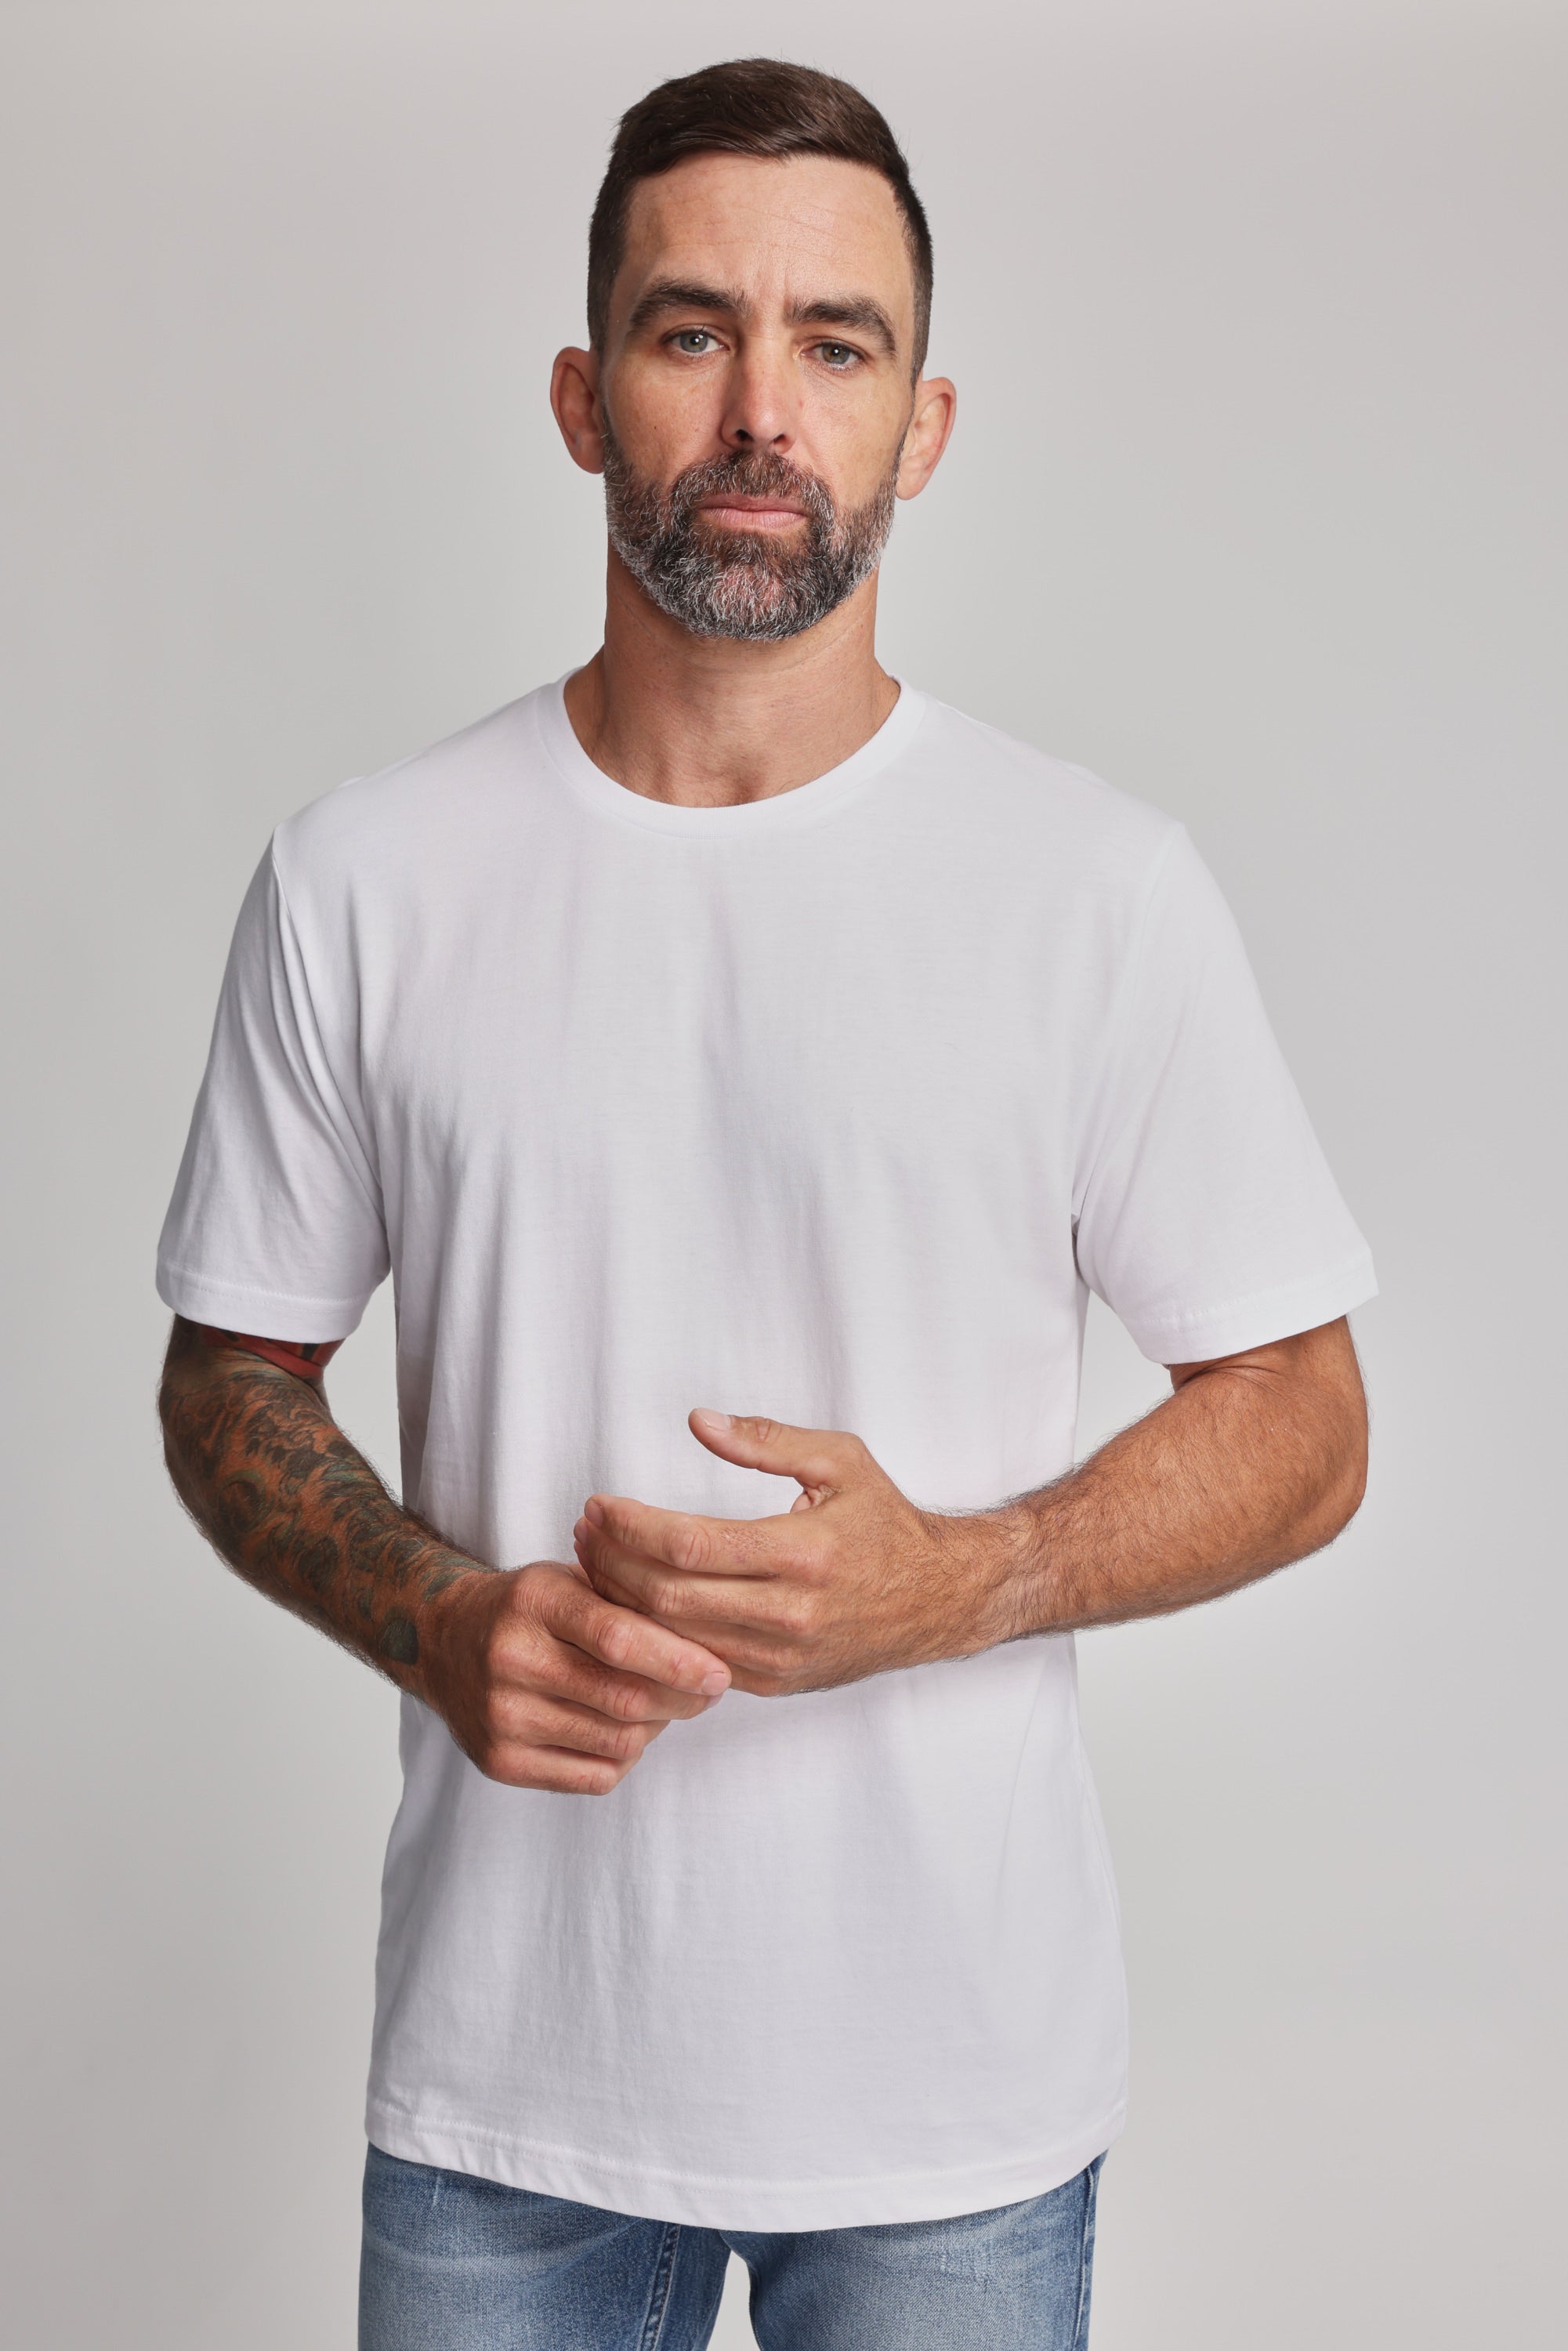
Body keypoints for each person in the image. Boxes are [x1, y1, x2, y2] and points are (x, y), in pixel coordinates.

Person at [155, 56, 1375, 2351]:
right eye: (689, 327)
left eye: (836, 344)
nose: (759, 410)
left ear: (921, 425)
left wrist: (971, 1575)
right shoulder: (367, 877)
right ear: (579, 393)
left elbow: (1305, 1411)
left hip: (950, 2121)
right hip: (500, 2105)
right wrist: (435, 1616)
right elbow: (233, 1374)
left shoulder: (1088, 891)